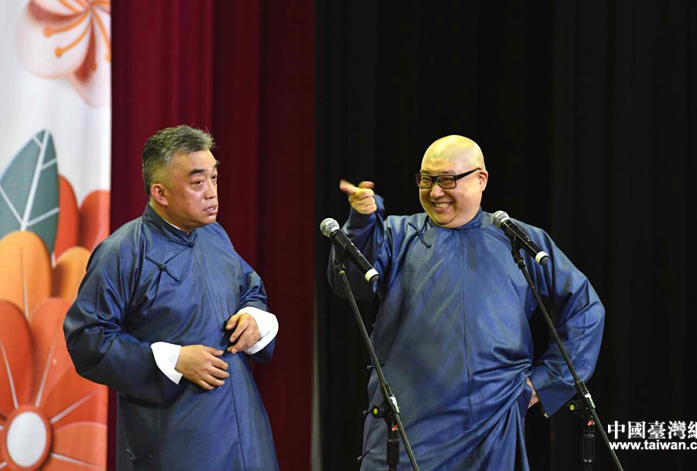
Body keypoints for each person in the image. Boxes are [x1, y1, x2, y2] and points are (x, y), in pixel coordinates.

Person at [327, 135, 605, 470]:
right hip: (409, 428)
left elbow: (585, 310)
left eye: (447, 180)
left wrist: (543, 384)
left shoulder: (517, 240)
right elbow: (350, 283)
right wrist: (361, 223)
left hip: (492, 426)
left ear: (481, 179)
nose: (435, 192)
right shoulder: (397, 235)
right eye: (426, 180)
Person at [64, 125, 280, 470]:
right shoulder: (123, 251)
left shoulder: (215, 236)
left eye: (214, 178)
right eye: (198, 183)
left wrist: (254, 318)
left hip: (246, 439)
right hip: (176, 445)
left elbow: (250, 288)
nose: (211, 193)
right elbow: (86, 337)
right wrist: (173, 360)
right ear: (160, 193)